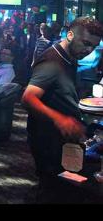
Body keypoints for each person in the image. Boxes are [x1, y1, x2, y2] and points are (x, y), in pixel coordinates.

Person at [22, 16, 103, 202]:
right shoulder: (52, 61)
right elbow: (28, 98)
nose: (89, 50)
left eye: (93, 46)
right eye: (86, 43)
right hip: (47, 139)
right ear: (70, 35)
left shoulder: (69, 57)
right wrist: (60, 119)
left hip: (60, 138)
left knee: (61, 188)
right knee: (51, 189)